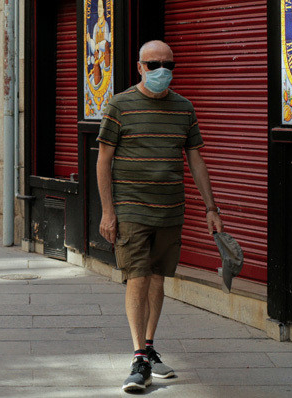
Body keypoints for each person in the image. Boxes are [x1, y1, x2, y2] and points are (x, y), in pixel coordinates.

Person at [95, 40, 224, 393]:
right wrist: (108, 211)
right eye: (153, 65)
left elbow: (195, 159)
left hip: (170, 210)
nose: (161, 71)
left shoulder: (183, 108)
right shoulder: (120, 105)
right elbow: (103, 160)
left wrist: (212, 208)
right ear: (140, 67)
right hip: (132, 209)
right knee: (137, 276)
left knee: (157, 279)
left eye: (168, 64)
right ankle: (138, 358)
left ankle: (150, 347)